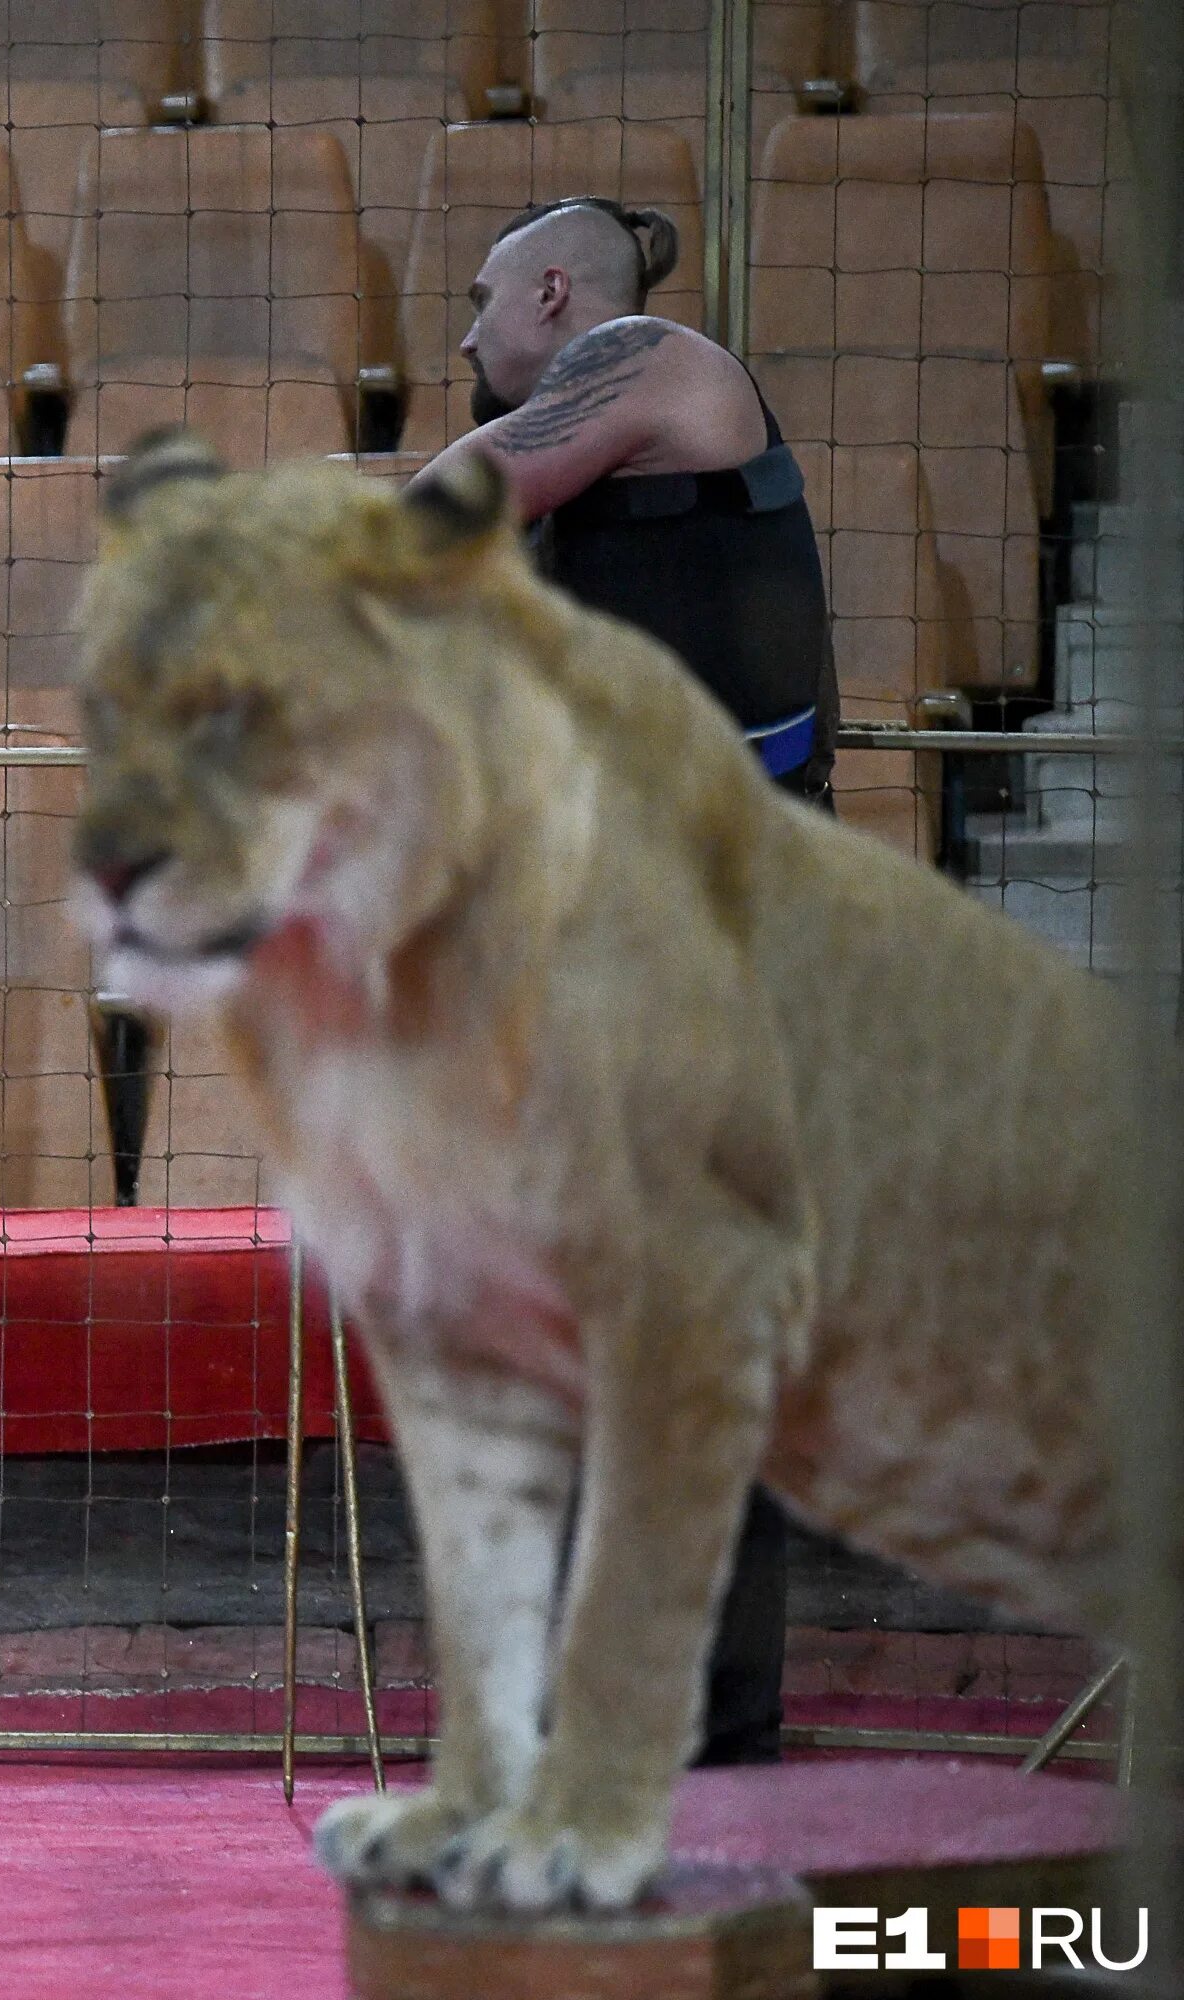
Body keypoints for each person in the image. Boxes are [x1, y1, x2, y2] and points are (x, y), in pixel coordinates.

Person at [415, 195, 833, 1765]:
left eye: (477, 304)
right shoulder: (605, 492)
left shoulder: (645, 356)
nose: (463, 339)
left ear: (550, 290)